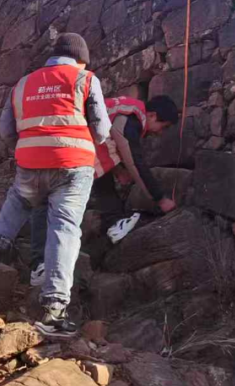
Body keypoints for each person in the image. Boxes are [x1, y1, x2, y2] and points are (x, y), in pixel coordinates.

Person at [0, 33, 111, 338]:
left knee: (20, 199)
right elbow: (101, 130)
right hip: (72, 164)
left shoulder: (23, 83)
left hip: (30, 160)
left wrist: (29, 147)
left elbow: (6, 130)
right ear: (81, 59)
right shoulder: (85, 79)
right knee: (64, 228)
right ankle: (54, 310)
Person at [28, 94, 181, 288]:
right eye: (163, 126)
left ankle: (113, 222)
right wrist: (160, 199)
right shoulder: (130, 120)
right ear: (152, 115)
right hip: (61, 148)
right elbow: (135, 162)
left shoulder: (124, 111)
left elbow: (104, 145)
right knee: (49, 203)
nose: (160, 133)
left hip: (70, 145)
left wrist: (117, 170)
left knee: (99, 181)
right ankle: (40, 265)